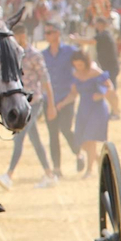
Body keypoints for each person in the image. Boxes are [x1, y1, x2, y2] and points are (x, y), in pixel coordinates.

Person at [0, 22, 53, 189]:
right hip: (20, 101)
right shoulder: (13, 55)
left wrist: (51, 103)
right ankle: (49, 173)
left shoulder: (34, 55)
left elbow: (45, 79)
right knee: (35, 139)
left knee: (20, 137)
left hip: (34, 101)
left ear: (22, 36)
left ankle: (9, 174)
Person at [38, 22, 75, 186]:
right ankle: (57, 167)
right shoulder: (42, 55)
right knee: (53, 135)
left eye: (50, 32)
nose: (47, 36)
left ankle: (78, 152)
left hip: (66, 98)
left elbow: (82, 65)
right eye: (45, 33)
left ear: (58, 33)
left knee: (66, 129)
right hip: (49, 100)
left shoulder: (70, 51)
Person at [68, 50, 112, 176]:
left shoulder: (96, 72)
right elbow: (73, 94)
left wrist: (101, 95)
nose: (78, 67)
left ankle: (89, 170)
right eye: (76, 65)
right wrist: (60, 104)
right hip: (83, 109)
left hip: (97, 109)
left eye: (80, 65)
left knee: (90, 139)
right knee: (82, 142)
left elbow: (109, 87)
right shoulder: (76, 75)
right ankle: (100, 161)